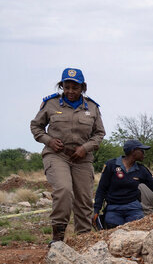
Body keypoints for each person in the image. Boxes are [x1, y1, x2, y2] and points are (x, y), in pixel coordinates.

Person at [30, 68, 106, 243]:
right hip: (57, 155)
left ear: (82, 88)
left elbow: (99, 133)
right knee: (64, 190)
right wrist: (48, 140)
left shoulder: (92, 107)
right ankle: (58, 237)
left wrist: (86, 148)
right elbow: (36, 127)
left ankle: (83, 238)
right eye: (67, 87)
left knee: (84, 198)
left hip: (82, 158)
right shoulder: (51, 104)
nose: (70, 91)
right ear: (62, 86)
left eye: (75, 88)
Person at [93, 140, 153, 228]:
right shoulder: (111, 165)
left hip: (133, 208)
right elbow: (101, 189)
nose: (144, 153)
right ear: (133, 151)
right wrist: (96, 210)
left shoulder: (141, 170)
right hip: (113, 208)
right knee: (113, 228)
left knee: (136, 228)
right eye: (142, 150)